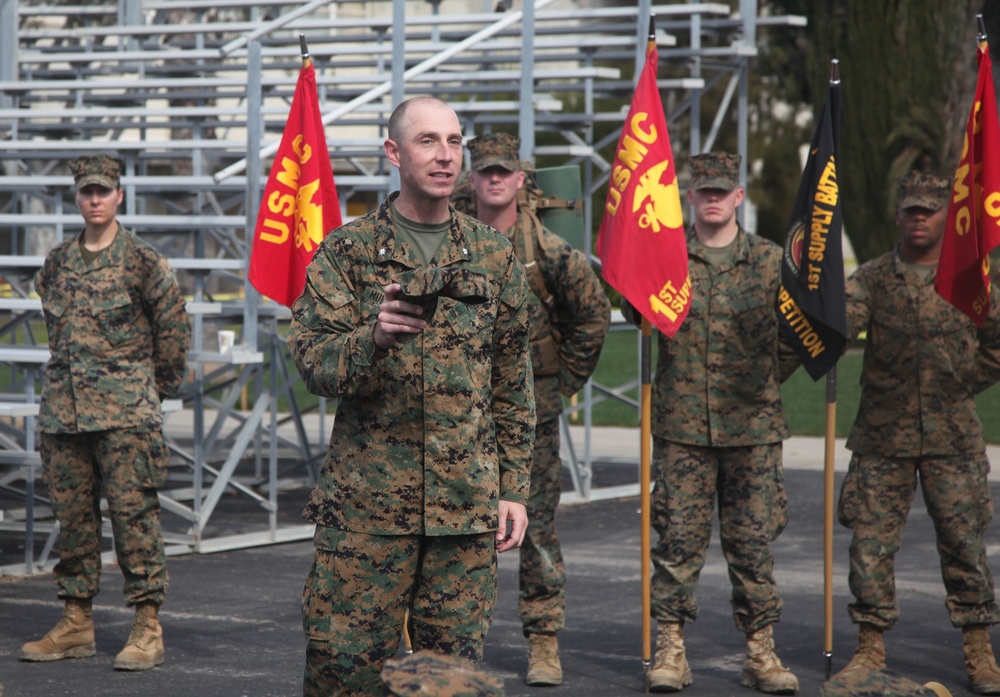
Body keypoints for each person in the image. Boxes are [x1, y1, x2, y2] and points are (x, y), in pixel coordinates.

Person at [287, 96, 536, 697]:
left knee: (449, 680)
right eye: (427, 141)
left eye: (454, 141)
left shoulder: (494, 255)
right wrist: (371, 337)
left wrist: (513, 489)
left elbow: (511, 381)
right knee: (342, 673)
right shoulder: (346, 252)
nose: (445, 155)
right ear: (394, 153)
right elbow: (311, 364)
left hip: (463, 510)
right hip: (367, 510)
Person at [622, 152, 800, 694]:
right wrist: (642, 254)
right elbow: (635, 307)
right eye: (705, 191)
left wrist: (763, 382)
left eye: (723, 191)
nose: (714, 198)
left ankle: (761, 655)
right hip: (683, 432)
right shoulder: (668, 260)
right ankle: (671, 652)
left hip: (753, 432)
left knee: (752, 548)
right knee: (677, 545)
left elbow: (795, 339)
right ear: (690, 199)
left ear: (739, 197)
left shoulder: (771, 262)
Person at [20, 154, 192, 671]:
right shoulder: (56, 263)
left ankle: (147, 626)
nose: (94, 199)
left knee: (134, 522)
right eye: (85, 192)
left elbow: (174, 336)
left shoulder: (143, 261)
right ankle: (76, 622)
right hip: (63, 418)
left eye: (103, 191)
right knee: (72, 524)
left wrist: (148, 395)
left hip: (125, 417)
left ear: (120, 196)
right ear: (77, 198)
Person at [836, 171, 1000, 695]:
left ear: (947, 216)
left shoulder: (970, 278)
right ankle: (868, 649)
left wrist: (963, 383)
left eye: (930, 209)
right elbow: (841, 320)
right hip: (883, 440)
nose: (921, 218)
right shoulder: (874, 277)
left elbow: (997, 341)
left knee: (965, 547)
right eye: (912, 209)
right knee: (869, 549)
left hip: (953, 440)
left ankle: (979, 652)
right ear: (899, 215)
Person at [466, 132, 610, 686]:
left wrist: (560, 387)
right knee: (460, 532)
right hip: (464, 419)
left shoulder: (549, 252)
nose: (495, 179)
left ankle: (543, 641)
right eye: (485, 172)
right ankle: (458, 640)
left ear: (521, 179)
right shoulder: (451, 245)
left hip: (530, 422)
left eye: (504, 172)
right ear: (472, 180)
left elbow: (592, 319)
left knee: (536, 529)